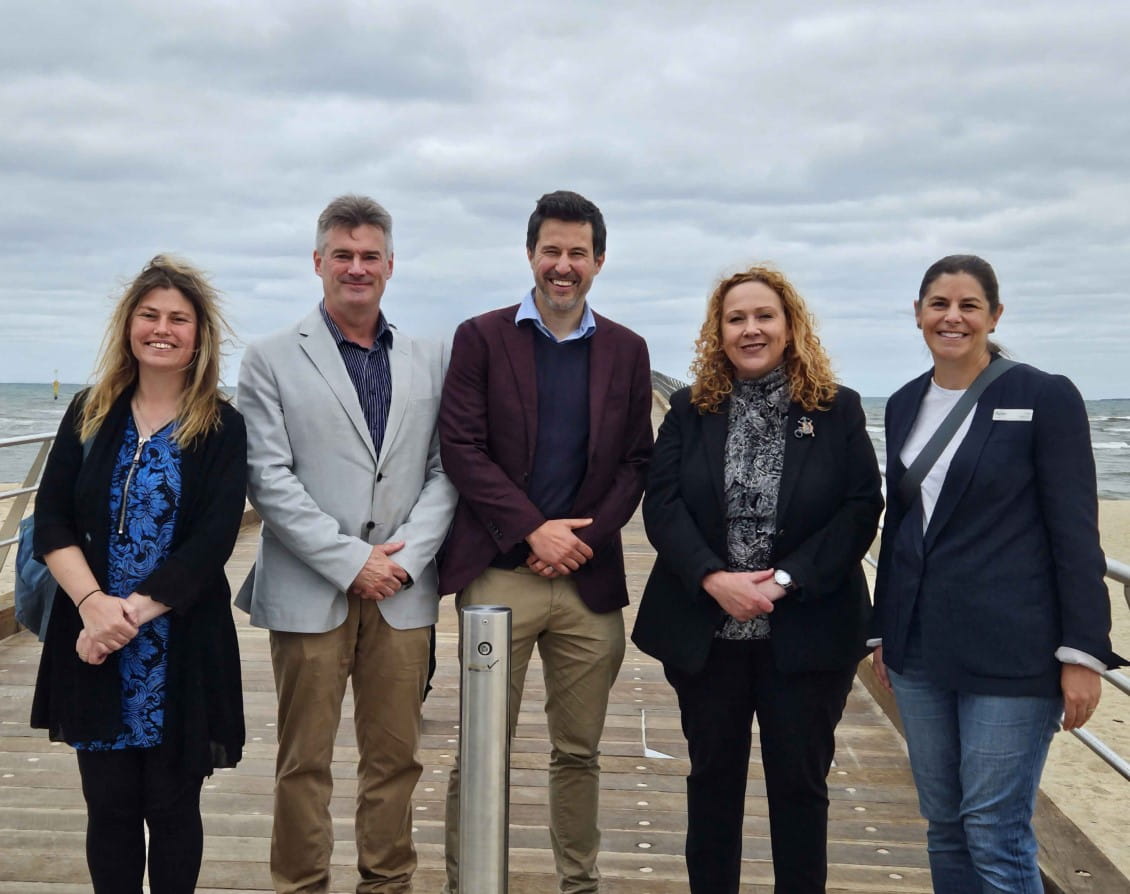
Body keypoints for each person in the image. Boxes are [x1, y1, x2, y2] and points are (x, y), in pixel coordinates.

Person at [871, 254, 1123, 893]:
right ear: (920, 314)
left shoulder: (1042, 395)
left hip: (1013, 652)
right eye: (938, 305)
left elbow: (1075, 532)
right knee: (944, 823)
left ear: (994, 315)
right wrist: (882, 634)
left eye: (968, 306)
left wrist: (1084, 653)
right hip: (919, 649)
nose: (952, 318)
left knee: (995, 830)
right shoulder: (903, 403)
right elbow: (902, 528)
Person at [631, 265, 883, 893]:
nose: (751, 329)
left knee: (800, 787)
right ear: (718, 333)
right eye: (736, 318)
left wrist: (783, 581)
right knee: (712, 781)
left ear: (791, 326)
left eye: (764, 316)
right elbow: (662, 504)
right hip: (706, 629)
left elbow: (861, 507)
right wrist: (715, 578)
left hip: (807, 630)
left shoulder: (837, 408)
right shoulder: (690, 408)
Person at [236, 194, 457, 894]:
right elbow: (268, 478)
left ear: (391, 265)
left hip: (403, 589)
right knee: (303, 761)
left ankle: (387, 881)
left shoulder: (431, 358)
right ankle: (301, 885)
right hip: (311, 588)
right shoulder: (269, 358)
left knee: (395, 759)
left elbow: (446, 470)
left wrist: (403, 559)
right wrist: (349, 561)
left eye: (370, 257)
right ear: (318, 262)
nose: (356, 268)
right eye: (343, 255)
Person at [438, 189, 653, 893]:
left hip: (587, 585)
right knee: (481, 750)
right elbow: (463, 447)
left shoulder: (627, 349)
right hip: (501, 574)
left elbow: (636, 462)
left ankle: (578, 882)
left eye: (578, 254)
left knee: (579, 752)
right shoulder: (482, 337)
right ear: (531, 254)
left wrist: (578, 539)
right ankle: (469, 882)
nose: (564, 266)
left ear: (599, 261)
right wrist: (534, 529)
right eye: (552, 251)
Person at [30, 255, 247, 894]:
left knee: (175, 811)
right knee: (111, 810)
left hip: (178, 645)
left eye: (179, 319)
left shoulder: (222, 426)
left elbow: (212, 543)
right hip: (92, 643)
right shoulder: (89, 413)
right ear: (128, 325)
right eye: (149, 315)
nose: (163, 328)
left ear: (199, 335)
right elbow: (52, 522)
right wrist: (94, 607)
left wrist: (125, 618)